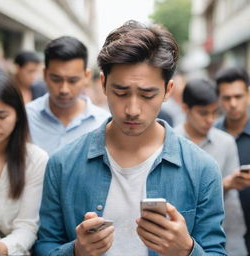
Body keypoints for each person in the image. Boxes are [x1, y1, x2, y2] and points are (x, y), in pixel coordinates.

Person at [34, 20, 226, 256]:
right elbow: (45, 245)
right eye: (121, 92)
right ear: (103, 84)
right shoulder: (63, 163)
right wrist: (75, 251)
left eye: (147, 94)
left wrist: (186, 250)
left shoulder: (202, 169)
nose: (133, 109)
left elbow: (216, 250)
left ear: (168, 90)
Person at [175, 78, 246, 255]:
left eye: (215, 113)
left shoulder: (226, 142)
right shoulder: (170, 141)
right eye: (203, 113)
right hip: (179, 239)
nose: (210, 120)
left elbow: (232, 206)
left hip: (224, 234)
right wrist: (224, 184)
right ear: (185, 109)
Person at [0, 70, 48, 255]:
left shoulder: (35, 160)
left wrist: (3, 247)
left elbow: (27, 225)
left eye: (2, 116)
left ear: (18, 115)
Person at [26, 36, 110, 155]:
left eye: (73, 81)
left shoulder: (103, 124)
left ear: (87, 76)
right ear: (44, 74)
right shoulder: (25, 117)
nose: (64, 89)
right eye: (56, 79)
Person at [215, 67, 250, 254]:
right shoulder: (209, 135)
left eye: (238, 96)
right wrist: (226, 184)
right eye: (227, 98)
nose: (233, 103)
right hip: (224, 233)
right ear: (219, 99)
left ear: (248, 95)